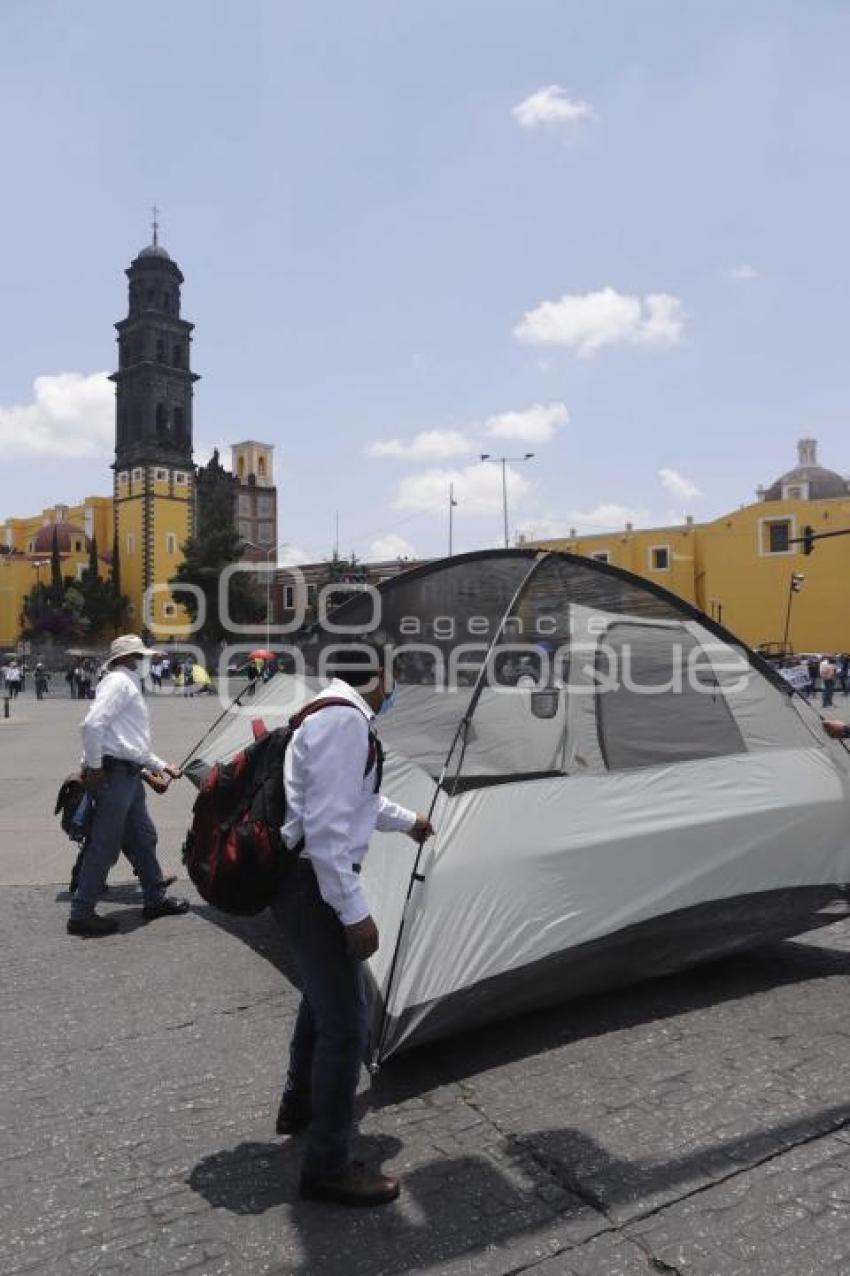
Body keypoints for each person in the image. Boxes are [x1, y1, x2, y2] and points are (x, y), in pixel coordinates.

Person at [271, 642, 433, 1207]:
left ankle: (301, 1105)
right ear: (376, 676)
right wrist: (355, 913)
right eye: (389, 676)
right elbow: (326, 832)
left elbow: (355, 801)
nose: (391, 689)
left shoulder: (327, 712)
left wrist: (408, 820)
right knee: (347, 1026)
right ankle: (328, 1166)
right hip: (315, 884)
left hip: (301, 881)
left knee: (321, 1002)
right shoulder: (344, 725)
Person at [68, 634, 189, 937]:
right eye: (140, 657)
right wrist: (95, 768)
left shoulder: (124, 682)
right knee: (105, 846)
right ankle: (81, 914)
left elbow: (130, 743)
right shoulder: (119, 682)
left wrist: (161, 766)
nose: (144, 662)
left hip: (129, 775)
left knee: (144, 837)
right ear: (126, 659)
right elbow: (92, 725)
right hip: (116, 776)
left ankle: (154, 898)